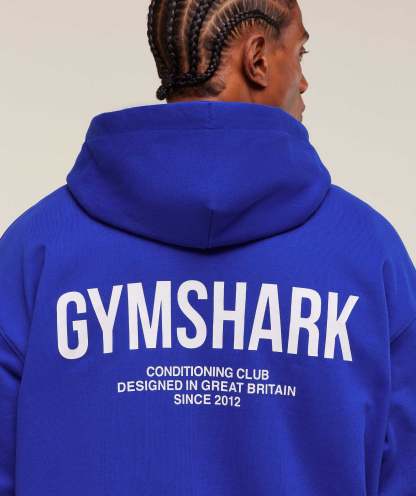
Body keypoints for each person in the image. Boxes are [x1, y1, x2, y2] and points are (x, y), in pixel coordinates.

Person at [1, 0, 415, 494]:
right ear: (258, 58)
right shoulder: (368, 256)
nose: (303, 82)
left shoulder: (35, 252)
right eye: (299, 54)